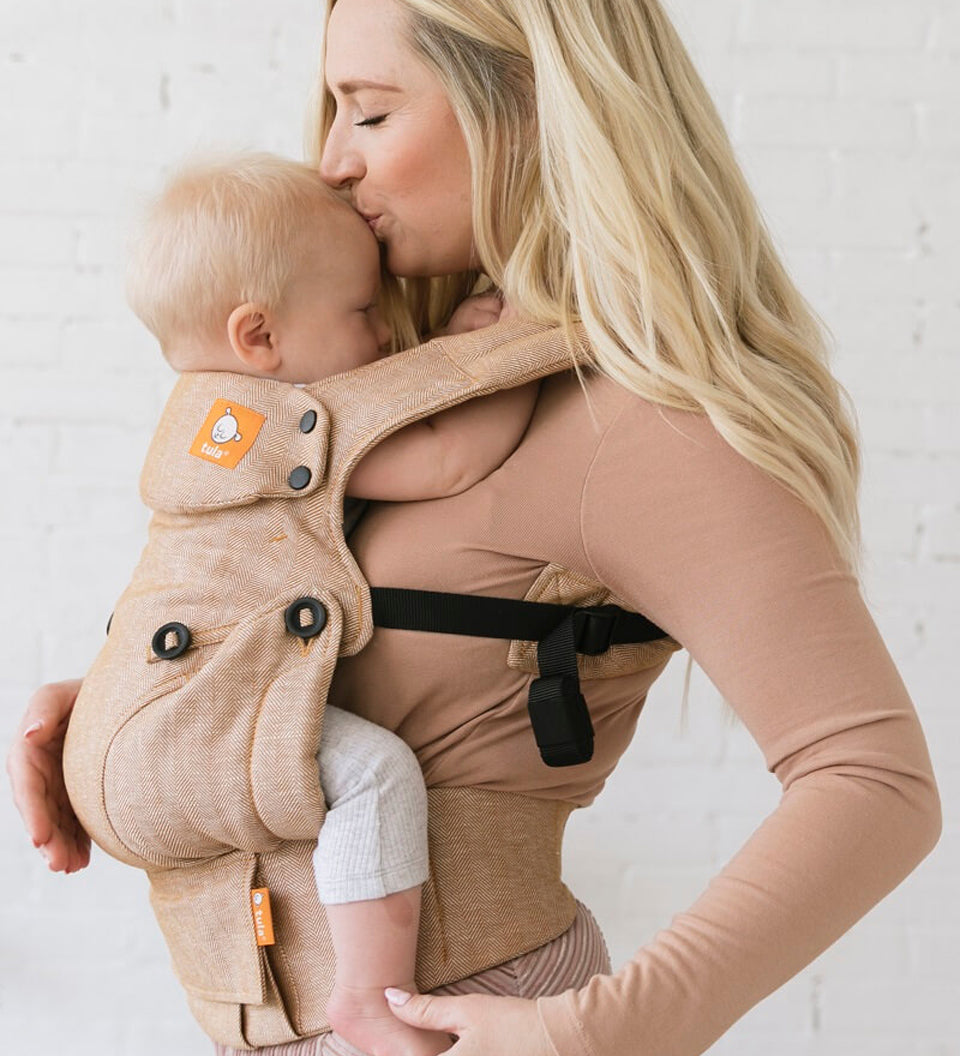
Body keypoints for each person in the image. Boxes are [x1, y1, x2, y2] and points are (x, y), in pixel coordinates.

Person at [7, 1, 943, 1055]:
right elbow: (384, 663)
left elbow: (874, 785)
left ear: (529, 105)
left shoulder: (647, 419)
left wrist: (597, 1035)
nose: (330, 165)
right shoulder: (390, 393)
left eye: (367, 113)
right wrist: (152, 707)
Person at [71, 149, 540, 1056]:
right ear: (260, 337)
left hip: (132, 728)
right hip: (184, 723)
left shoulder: (208, 419)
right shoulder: (271, 422)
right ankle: (365, 994)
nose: (382, 341)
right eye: (364, 312)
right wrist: (498, 351)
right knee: (373, 775)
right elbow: (445, 456)